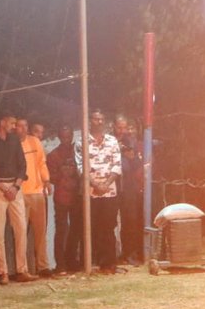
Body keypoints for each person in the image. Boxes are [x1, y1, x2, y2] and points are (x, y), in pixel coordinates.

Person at [0, 110, 35, 284]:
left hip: (15, 188)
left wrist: (15, 186)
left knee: (21, 228)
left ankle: (21, 269)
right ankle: (2, 272)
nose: (15, 127)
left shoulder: (14, 140)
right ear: (2, 122)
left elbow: (22, 166)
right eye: (12, 123)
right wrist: (1, 186)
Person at [76, 110, 122, 273]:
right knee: (91, 228)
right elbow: (81, 167)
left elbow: (117, 165)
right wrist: (95, 184)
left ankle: (109, 263)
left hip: (109, 192)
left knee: (108, 228)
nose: (99, 122)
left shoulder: (112, 141)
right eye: (96, 119)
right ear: (90, 121)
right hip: (91, 193)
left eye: (102, 119)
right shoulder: (82, 141)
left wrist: (106, 184)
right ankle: (90, 262)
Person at [17, 117, 52, 276]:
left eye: (25, 126)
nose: (22, 129)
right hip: (20, 193)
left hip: (37, 192)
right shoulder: (12, 144)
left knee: (40, 232)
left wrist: (46, 180)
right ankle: (21, 269)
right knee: (21, 233)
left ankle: (43, 266)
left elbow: (41, 163)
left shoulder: (35, 142)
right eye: (19, 126)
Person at [47, 122, 81, 273]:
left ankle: (72, 260)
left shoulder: (78, 152)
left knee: (76, 229)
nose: (66, 138)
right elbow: (51, 178)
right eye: (63, 136)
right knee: (61, 230)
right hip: (61, 197)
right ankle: (60, 264)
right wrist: (62, 173)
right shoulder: (53, 155)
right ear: (59, 137)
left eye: (69, 136)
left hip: (77, 196)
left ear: (72, 136)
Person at [114, 116, 144, 264]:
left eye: (124, 127)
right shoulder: (109, 142)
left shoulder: (131, 143)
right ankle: (110, 255)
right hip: (112, 187)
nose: (122, 130)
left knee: (130, 221)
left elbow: (138, 164)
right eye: (119, 127)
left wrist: (131, 157)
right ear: (114, 127)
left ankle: (129, 253)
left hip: (129, 187)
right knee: (109, 222)